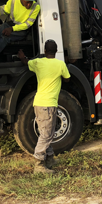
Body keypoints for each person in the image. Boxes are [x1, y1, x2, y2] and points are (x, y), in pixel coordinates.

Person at [18, 40, 70, 174]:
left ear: (45, 51)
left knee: (47, 132)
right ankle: (39, 165)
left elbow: (26, 62)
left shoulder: (38, 63)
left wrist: (22, 56)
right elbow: (67, 79)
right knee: (46, 134)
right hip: (48, 104)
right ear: (56, 51)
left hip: (39, 103)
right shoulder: (60, 64)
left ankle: (50, 158)